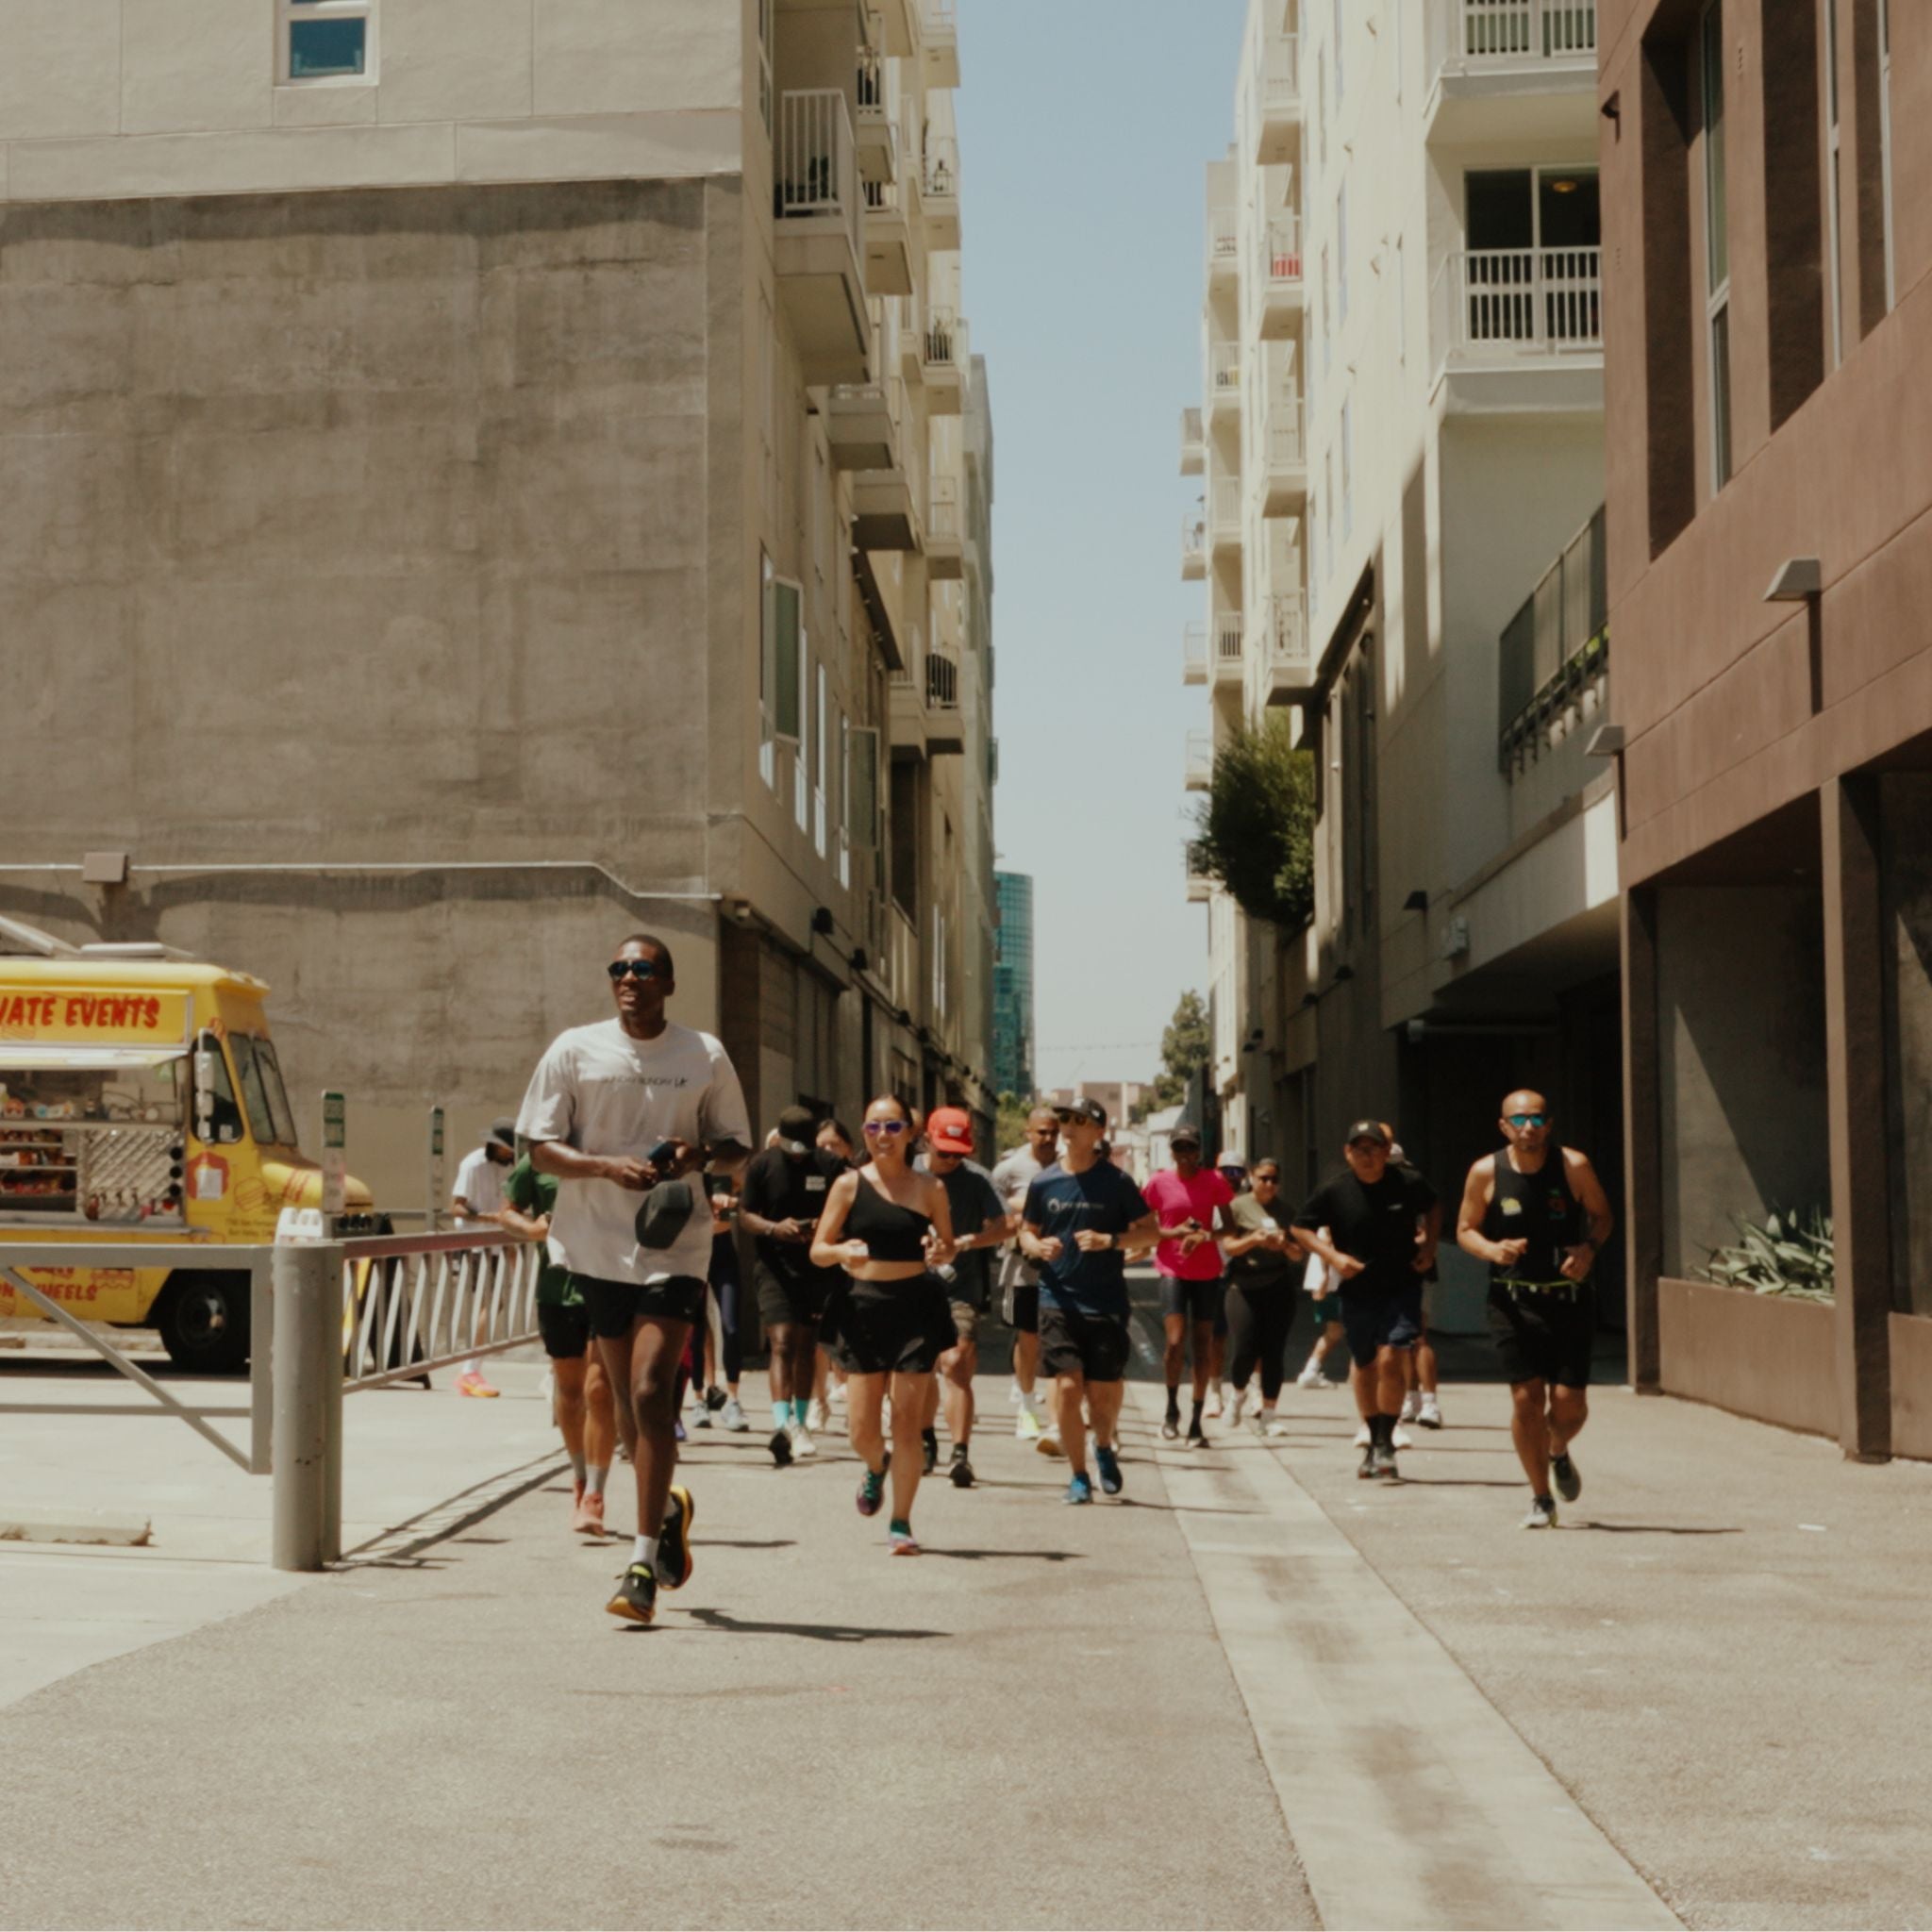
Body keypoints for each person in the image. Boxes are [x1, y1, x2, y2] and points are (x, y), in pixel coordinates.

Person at [520, 934, 751, 1626]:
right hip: (594, 1248)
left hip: (674, 1245)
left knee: (654, 1389)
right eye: (618, 968)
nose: (629, 978)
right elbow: (539, 1149)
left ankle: (642, 1562)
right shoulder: (575, 1048)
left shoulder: (702, 1053)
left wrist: (697, 1153)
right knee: (623, 1410)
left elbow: (737, 1146)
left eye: (643, 968)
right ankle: (669, 1507)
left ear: (668, 982)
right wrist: (604, 1168)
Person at [1456, 1090, 1614, 1529]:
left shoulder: (1573, 1166)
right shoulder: (1486, 1171)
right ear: (1504, 1126)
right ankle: (1541, 1498)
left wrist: (1589, 1249)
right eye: (1519, 1120)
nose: (1529, 1127)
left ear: (1550, 1123)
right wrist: (1492, 1248)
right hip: (1512, 1299)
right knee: (1527, 1401)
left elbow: (1603, 1216)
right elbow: (1466, 1229)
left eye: (1537, 1119)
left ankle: (1556, 1448)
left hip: (1568, 1298)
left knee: (1570, 1406)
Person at [810, 1096, 958, 1554]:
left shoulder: (931, 1188)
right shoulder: (849, 1185)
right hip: (863, 1306)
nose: (883, 1136)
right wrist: (841, 1253)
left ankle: (901, 1522)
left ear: (911, 1133)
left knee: (908, 1423)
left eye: (893, 1126)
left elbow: (949, 1247)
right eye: (873, 1127)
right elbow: (818, 1248)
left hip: (915, 1306)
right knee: (861, 1430)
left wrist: (939, 1252)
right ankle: (876, 1466)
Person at [1018, 1096, 1158, 1504]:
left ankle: (1102, 1446)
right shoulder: (1044, 1182)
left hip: (1106, 1303)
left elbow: (1150, 1232)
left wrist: (1109, 1240)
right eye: (1065, 1119)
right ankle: (1078, 1475)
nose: (1069, 1126)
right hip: (1056, 1299)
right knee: (1065, 1386)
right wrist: (1035, 1245)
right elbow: (1026, 1231)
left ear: (1099, 1132)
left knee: (1102, 1394)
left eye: (1080, 1120)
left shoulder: (1116, 1183)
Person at [1291, 1122, 1439, 1481]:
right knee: (1365, 1363)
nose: (1367, 1155)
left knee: (1392, 1356)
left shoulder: (1408, 1183)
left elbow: (1434, 1207)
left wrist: (1430, 1246)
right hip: (1357, 1289)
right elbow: (1300, 1228)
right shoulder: (1335, 1190)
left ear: (1387, 1152)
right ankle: (1373, 1439)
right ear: (1347, 1153)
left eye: (1374, 1148)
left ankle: (1386, 1440)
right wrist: (1333, 1257)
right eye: (1359, 1148)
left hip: (1401, 1284)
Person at [501, 1141, 620, 1534]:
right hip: (557, 1290)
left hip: (608, 1283)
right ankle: (580, 1478)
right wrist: (532, 1229)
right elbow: (508, 1213)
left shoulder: (612, 1147)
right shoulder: (537, 1160)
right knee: (570, 1394)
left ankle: (595, 1497)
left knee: (599, 1390)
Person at [739, 1105, 847, 1466]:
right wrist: (774, 1228)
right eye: (792, 1148)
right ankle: (782, 1426)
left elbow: (848, 1206)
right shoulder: (762, 1165)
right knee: (781, 1343)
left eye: (804, 1148)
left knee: (805, 1345)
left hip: (816, 1267)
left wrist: (825, 1227)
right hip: (774, 1267)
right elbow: (746, 1215)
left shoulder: (829, 1166)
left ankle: (802, 1423)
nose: (798, 1155)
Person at [915, 1107, 1012, 1489]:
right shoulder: (908, 1174)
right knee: (921, 1367)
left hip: (960, 1285)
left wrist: (966, 1242)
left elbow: (1006, 1226)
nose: (953, 1159)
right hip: (912, 1283)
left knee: (955, 1363)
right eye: (945, 1152)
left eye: (959, 1153)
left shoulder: (978, 1180)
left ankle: (961, 1454)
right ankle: (925, 1437)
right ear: (926, 1140)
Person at [1141, 1124, 1237, 1447]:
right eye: (1179, 1148)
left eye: (1190, 1149)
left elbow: (1231, 1228)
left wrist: (1204, 1236)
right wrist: (1175, 1234)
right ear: (1172, 1151)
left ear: (1199, 1151)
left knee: (1202, 1344)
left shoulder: (1214, 1181)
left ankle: (1196, 1420)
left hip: (1208, 1271)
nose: (1185, 1155)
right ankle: (1170, 1411)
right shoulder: (1158, 1182)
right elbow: (1145, 1227)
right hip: (1172, 1269)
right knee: (1174, 1339)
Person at [991, 1107, 1064, 1451]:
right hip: (1023, 1267)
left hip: (1062, 1266)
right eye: (1041, 1132)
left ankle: (1058, 1413)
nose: (1048, 1139)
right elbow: (991, 1207)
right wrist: (1020, 1205)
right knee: (1028, 1337)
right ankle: (1026, 1405)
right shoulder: (1010, 1167)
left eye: (1053, 1132)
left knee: (1059, 1338)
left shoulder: (1068, 1164)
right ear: (1027, 1133)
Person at [1220, 1158, 1304, 1436]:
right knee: (1245, 1348)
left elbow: (1298, 1253)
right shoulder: (1238, 1206)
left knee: (1273, 1351)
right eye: (1263, 1178)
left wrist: (1283, 1244)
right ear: (1252, 1179)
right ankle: (1237, 1394)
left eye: (1273, 1179)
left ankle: (1269, 1412)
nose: (1269, 1184)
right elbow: (1230, 1247)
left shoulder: (1286, 1210)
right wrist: (1254, 1240)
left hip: (1277, 1283)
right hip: (1244, 1286)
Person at [449, 1116, 518, 1398]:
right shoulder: (472, 1164)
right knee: (488, 1303)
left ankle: (471, 1368)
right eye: (506, 1149)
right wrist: (487, 1218)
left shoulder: (508, 1167)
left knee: (494, 1304)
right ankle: (469, 1371)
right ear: (495, 1145)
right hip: (474, 1244)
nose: (510, 1154)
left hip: (497, 1243)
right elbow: (456, 1207)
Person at [696, 1172, 748, 1433]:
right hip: (695, 1251)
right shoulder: (691, 1169)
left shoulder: (728, 1168)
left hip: (723, 1252)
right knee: (696, 1328)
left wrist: (733, 1198)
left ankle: (733, 1398)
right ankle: (699, 1398)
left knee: (731, 1326)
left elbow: (734, 1212)